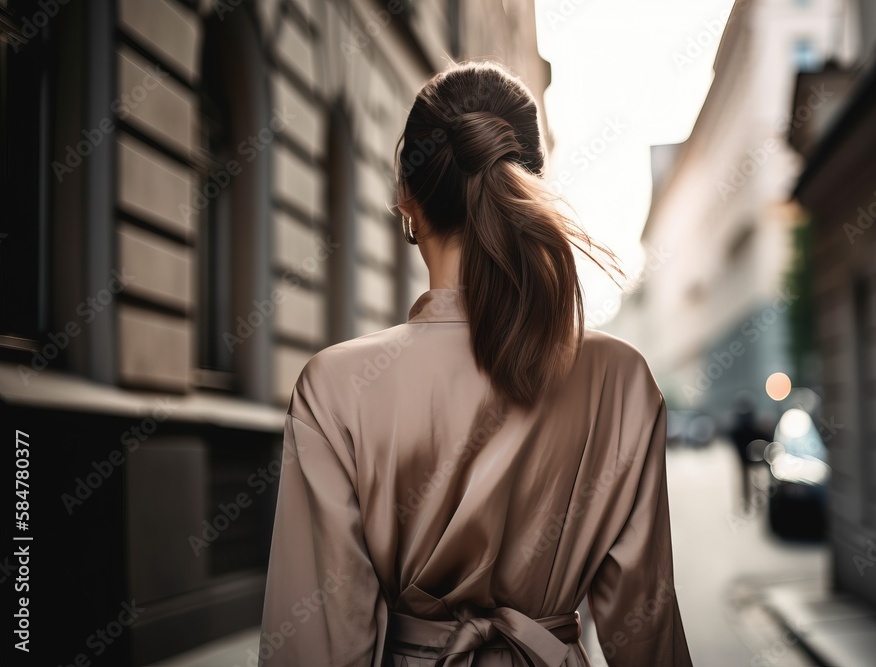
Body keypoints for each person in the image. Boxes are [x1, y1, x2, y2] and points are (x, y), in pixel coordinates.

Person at [257, 59, 692, 667]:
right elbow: (645, 630)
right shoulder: (619, 380)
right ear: (529, 185)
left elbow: (319, 643)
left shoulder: (335, 388)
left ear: (406, 198)